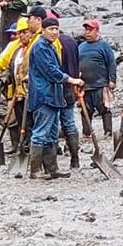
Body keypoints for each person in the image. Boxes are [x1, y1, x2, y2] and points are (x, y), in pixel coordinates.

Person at [0, 17, 42, 165]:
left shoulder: (38, 45)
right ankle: (22, 148)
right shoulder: (16, 48)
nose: (22, 35)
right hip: (19, 92)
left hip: (35, 92)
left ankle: (39, 153)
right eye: (20, 33)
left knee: (34, 124)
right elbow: (3, 63)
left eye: (25, 32)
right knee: (20, 122)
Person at [25, 18, 82, 180]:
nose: (54, 32)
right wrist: (71, 80)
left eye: (56, 29)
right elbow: (51, 71)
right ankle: (35, 170)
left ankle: (52, 168)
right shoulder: (40, 47)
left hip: (53, 96)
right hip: (44, 96)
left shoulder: (49, 47)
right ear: (42, 30)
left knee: (51, 134)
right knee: (40, 133)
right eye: (50, 29)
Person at [77, 18, 119, 137]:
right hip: (85, 86)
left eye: (90, 30)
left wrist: (112, 80)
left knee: (104, 109)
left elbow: (111, 63)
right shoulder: (81, 47)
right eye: (86, 30)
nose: (87, 32)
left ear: (97, 31)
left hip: (100, 84)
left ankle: (108, 132)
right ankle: (87, 133)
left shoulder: (104, 45)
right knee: (85, 110)